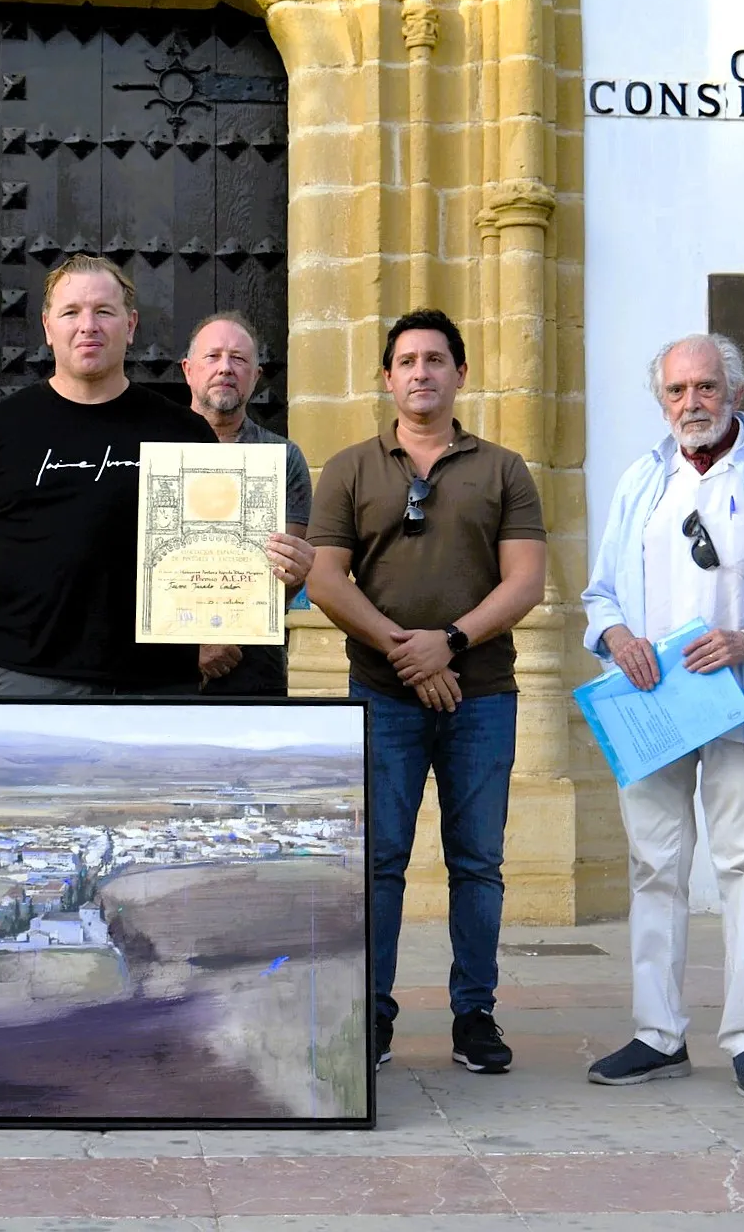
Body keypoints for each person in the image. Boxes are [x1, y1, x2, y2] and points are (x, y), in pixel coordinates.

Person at [0, 255, 308, 695]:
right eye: (71, 311)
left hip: (158, 682)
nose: (88, 325)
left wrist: (277, 581)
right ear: (48, 328)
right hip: (32, 678)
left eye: (104, 311)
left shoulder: (183, 431)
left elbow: (219, 554)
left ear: (129, 327)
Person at [579, 334, 744, 1100]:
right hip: (655, 705)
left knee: (743, 866)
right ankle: (658, 1033)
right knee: (654, 868)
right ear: (661, 400)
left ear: (735, 389)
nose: (690, 403)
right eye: (676, 391)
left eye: (704, 387)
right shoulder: (641, 478)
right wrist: (619, 636)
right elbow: (601, 594)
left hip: (742, 700)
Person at [305, 307, 547, 1074]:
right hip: (381, 694)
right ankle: (372, 1017)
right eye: (406, 360)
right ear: (386, 377)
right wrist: (402, 650)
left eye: (436, 359)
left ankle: (475, 1015)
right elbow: (322, 576)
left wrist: (447, 642)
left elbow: (527, 580)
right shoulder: (348, 467)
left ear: (461, 373)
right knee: (379, 859)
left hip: (481, 696)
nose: (421, 372)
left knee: (478, 860)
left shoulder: (503, 468)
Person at [179, 311, 314, 696]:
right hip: (163, 666)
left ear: (255, 375)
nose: (225, 368)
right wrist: (194, 647)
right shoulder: (154, 447)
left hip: (253, 663)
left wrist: (298, 574)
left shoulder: (283, 457)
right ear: (188, 370)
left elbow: (283, 576)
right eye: (213, 356)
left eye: (239, 359)